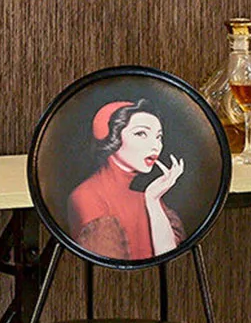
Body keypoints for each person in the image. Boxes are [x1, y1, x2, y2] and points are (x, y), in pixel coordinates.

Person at [67, 99, 186, 260]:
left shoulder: (147, 197)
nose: (155, 145)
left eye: (158, 137)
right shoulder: (87, 196)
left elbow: (169, 260)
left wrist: (153, 199)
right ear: (112, 137)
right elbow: (107, 269)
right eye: (141, 134)